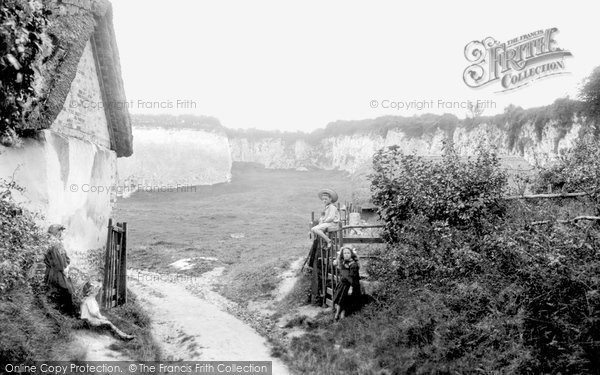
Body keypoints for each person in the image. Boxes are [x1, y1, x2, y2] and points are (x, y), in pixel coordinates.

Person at [44, 224, 78, 316]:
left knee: (67, 291)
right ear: (56, 232)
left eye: (62, 231)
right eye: (60, 231)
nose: (62, 233)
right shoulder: (52, 244)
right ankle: (60, 316)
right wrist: (64, 269)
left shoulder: (59, 244)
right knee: (60, 291)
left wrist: (66, 267)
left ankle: (67, 315)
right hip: (55, 273)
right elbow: (56, 261)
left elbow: (66, 258)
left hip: (62, 272)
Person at [333, 246, 362, 321]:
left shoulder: (353, 265)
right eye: (344, 253)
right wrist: (336, 262)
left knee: (344, 301)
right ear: (342, 254)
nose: (346, 254)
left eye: (348, 253)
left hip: (349, 286)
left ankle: (341, 317)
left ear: (351, 254)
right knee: (340, 301)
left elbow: (352, 277)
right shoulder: (344, 262)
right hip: (343, 285)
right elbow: (340, 267)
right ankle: (336, 316)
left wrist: (351, 287)